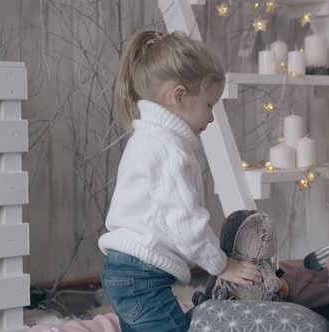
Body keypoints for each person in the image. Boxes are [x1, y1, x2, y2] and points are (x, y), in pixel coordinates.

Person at [98, 31, 262, 332]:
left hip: (127, 270)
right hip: (140, 276)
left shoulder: (150, 139)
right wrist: (225, 265)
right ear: (179, 96)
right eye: (210, 105)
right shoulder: (169, 150)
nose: (211, 118)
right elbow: (187, 223)